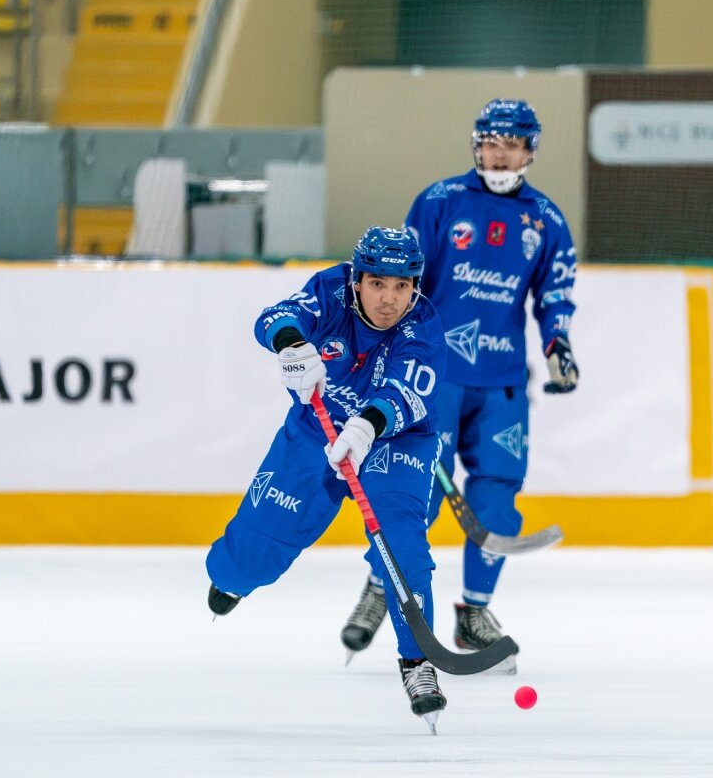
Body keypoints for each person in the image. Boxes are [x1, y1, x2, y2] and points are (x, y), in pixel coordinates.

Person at [340, 99, 579, 674]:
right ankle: (382, 583)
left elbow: (555, 291)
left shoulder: (545, 219)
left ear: (530, 151)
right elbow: (402, 282)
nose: (501, 153)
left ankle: (474, 613)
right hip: (434, 379)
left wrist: (557, 343)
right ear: (478, 145)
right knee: (411, 494)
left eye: (513, 144)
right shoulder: (441, 202)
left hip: (501, 386)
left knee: (497, 496)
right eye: (493, 142)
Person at [206, 226, 450, 727]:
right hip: (314, 431)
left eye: (402, 286)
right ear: (358, 278)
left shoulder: (423, 326)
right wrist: (293, 347)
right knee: (242, 563)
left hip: (393, 441)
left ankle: (416, 660)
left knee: (402, 548)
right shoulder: (331, 290)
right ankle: (235, 577)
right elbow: (276, 317)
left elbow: (407, 392)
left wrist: (364, 429)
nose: (389, 299)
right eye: (379, 283)